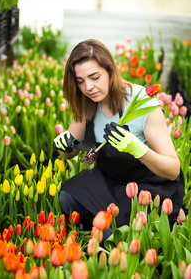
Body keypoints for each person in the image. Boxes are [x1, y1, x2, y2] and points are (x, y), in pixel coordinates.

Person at [53, 39, 184, 241]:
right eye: (80, 81)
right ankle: (95, 231)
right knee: (68, 197)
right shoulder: (88, 102)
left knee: (112, 234)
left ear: (111, 71)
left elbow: (173, 169)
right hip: (110, 179)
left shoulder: (142, 103)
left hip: (147, 185)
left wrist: (137, 149)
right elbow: (69, 152)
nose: (88, 87)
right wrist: (64, 144)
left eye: (94, 77)